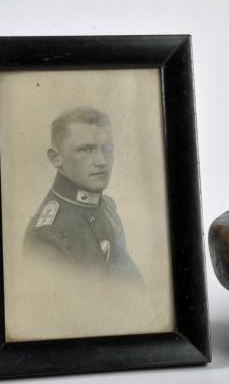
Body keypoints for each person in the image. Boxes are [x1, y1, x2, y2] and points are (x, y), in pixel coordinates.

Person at [24, 107, 142, 280]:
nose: (102, 162)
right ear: (56, 158)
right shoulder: (46, 235)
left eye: (107, 149)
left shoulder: (107, 206)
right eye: (86, 150)